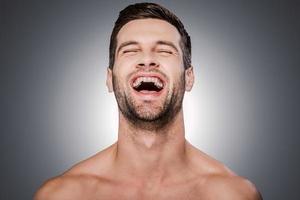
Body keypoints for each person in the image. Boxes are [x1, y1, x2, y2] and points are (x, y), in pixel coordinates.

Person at [34, 2, 262, 199]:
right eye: (130, 50)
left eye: (164, 51)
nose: (147, 60)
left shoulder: (234, 195)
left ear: (189, 77)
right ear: (109, 79)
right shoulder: (62, 195)